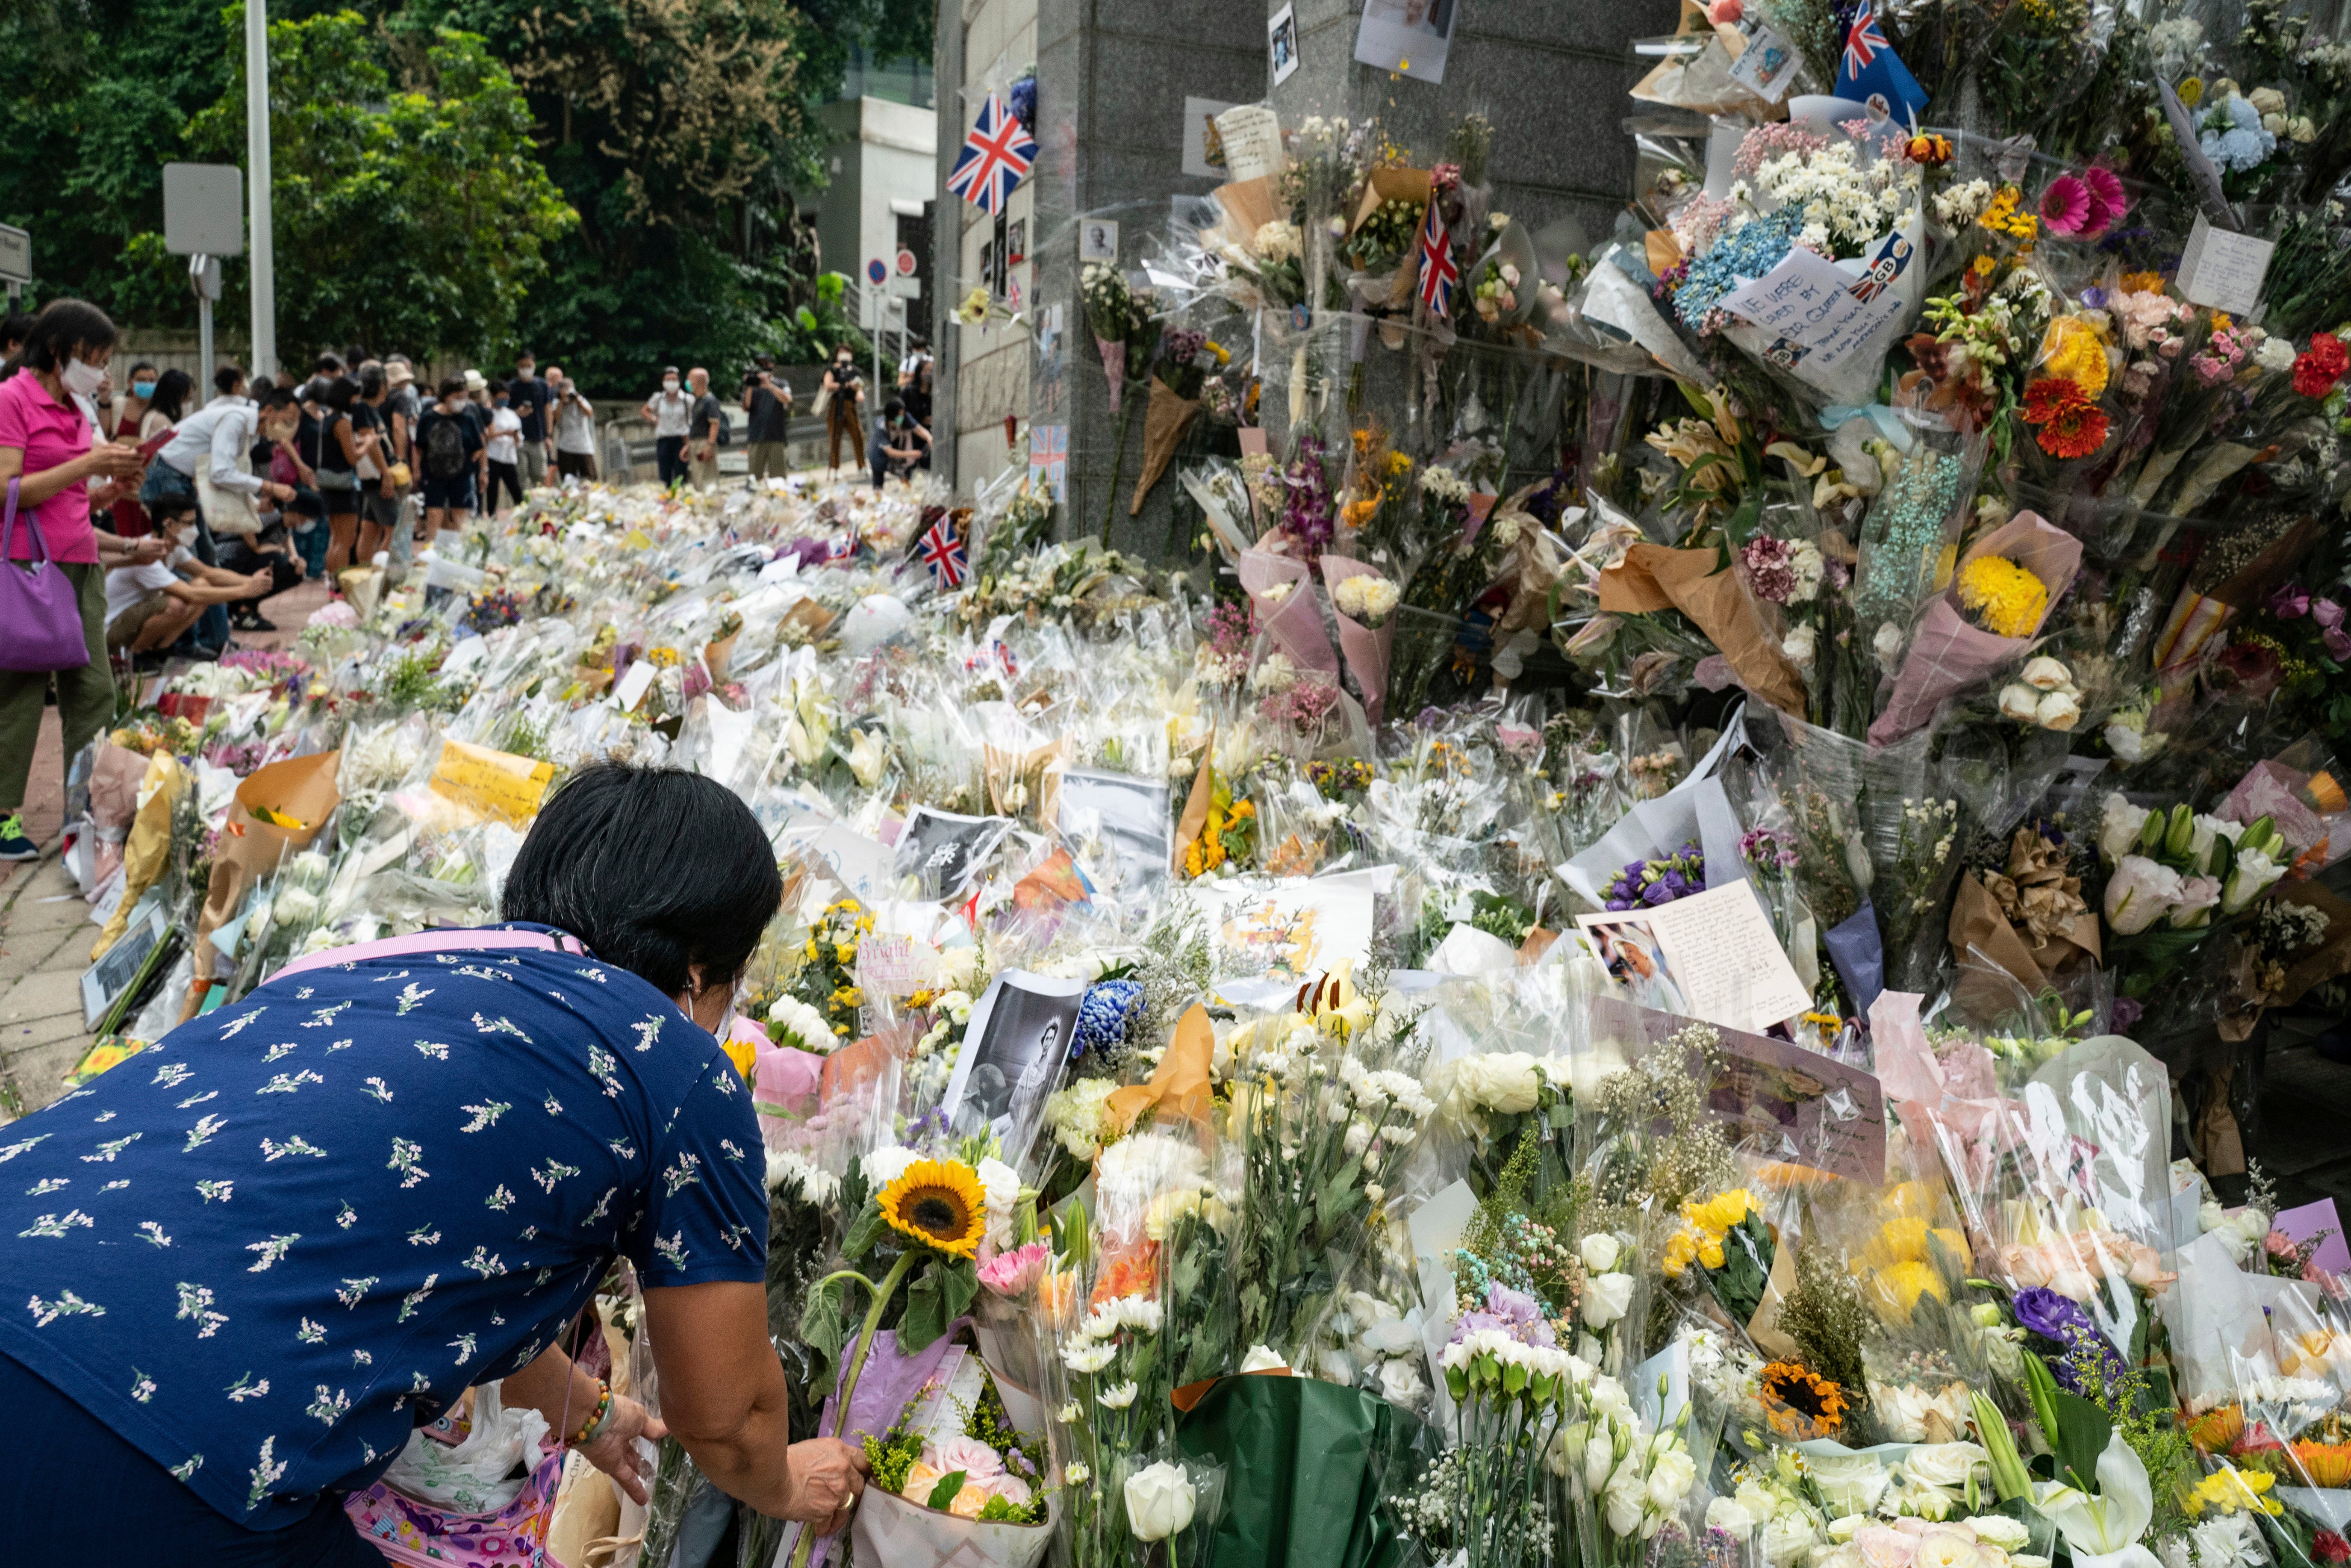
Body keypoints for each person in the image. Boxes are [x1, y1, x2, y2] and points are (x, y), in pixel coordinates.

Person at [0, 763, 872, 1564]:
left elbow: (403, 1253)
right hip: (164, 1447)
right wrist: (791, 1484)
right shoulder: (668, 1055)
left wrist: (589, 1411)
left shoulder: (360, 969)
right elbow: (725, 1419)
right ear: (699, 967)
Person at [0, 300, 147, 861]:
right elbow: (8, 487)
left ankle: (81, 814)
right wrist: (85, 467)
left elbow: (64, 491)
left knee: (94, 692)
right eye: (95, 358)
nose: (102, 371)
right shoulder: (13, 399)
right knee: (17, 693)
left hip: (81, 558)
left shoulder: (72, 405)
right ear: (60, 349)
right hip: (29, 566)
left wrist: (104, 491)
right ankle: (3, 817)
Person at [102, 495, 275, 662]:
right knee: (176, 605)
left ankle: (162, 651)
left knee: (203, 584)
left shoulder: (172, 547)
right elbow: (192, 595)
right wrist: (245, 591)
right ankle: (139, 656)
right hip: (111, 630)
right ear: (169, 524)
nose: (195, 530)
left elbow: (208, 573)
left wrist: (251, 581)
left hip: (134, 619)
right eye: (189, 524)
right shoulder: (148, 556)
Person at [303, 374, 368, 578]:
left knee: (336, 539)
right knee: (345, 541)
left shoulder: (327, 419)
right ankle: (340, 585)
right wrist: (369, 443)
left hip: (329, 486)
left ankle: (333, 587)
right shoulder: (342, 423)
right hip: (343, 486)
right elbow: (352, 457)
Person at [415, 376, 484, 536]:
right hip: (434, 475)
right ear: (446, 396)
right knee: (434, 514)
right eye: (457, 398)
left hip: (461, 476)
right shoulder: (428, 418)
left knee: (460, 518)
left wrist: (472, 465)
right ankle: (431, 550)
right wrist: (417, 471)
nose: (462, 402)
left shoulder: (469, 418)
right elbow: (419, 448)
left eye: (464, 398)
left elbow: (479, 447)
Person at [354, 363, 406, 566]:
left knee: (370, 530)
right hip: (377, 478)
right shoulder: (362, 409)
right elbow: (371, 444)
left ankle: (365, 571)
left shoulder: (370, 409)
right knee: (394, 532)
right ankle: (378, 572)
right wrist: (386, 474)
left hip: (377, 477)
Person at [509, 351, 554, 491]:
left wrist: (549, 435)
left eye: (529, 366)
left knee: (540, 478)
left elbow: (548, 410)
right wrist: (517, 413)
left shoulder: (543, 385)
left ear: (534, 365)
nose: (526, 369)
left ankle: (539, 510)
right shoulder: (511, 387)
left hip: (539, 438)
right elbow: (503, 412)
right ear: (517, 366)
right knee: (519, 478)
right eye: (523, 366)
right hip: (518, 439)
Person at [644, 365, 692, 487]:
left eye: (674, 379)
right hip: (664, 440)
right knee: (664, 476)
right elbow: (645, 410)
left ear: (679, 381)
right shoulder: (659, 398)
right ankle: (667, 501)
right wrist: (654, 419)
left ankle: (681, 499)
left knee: (681, 475)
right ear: (664, 382)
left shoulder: (687, 400)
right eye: (668, 379)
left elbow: (693, 419)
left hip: (681, 441)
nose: (671, 382)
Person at [742, 365, 792, 480]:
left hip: (776, 437)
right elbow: (746, 407)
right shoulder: (752, 385)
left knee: (778, 479)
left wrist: (770, 386)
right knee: (754, 479)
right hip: (756, 437)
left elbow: (788, 400)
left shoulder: (781, 383)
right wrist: (750, 386)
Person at [483, 383, 526, 515]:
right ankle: (491, 516)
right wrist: (503, 433)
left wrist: (515, 437)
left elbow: (520, 439)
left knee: (516, 489)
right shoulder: (489, 414)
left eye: (507, 398)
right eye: (501, 397)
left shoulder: (512, 415)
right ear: (493, 397)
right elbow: (487, 436)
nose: (504, 400)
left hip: (509, 457)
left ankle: (522, 514)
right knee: (493, 491)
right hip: (493, 455)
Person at [822, 344, 864, 476]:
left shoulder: (854, 371)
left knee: (858, 436)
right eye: (841, 352)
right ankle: (835, 468)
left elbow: (860, 386)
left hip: (850, 405)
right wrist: (846, 385)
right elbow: (828, 385)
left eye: (847, 352)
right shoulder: (832, 369)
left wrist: (859, 391)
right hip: (836, 404)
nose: (844, 354)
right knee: (835, 436)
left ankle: (862, 466)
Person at [868, 396, 927, 491]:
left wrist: (929, 438)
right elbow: (890, 452)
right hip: (877, 456)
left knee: (905, 474)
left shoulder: (904, 417)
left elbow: (918, 429)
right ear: (892, 416)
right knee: (878, 486)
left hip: (893, 453)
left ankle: (907, 493)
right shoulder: (881, 428)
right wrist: (912, 454)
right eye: (900, 415)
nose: (903, 417)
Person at [551, 368, 598, 482]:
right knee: (568, 482)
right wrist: (562, 401)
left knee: (589, 480)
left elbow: (590, 414)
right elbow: (555, 419)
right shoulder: (557, 403)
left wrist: (577, 400)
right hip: (566, 448)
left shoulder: (580, 400)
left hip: (584, 447)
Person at [686, 367, 723, 489]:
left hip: (704, 444)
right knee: (698, 479)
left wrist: (710, 446)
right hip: (696, 444)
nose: (687, 383)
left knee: (707, 479)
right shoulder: (698, 401)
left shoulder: (710, 401)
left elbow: (715, 424)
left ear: (697, 382)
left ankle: (712, 505)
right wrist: (688, 446)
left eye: (689, 379)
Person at [112, 361, 160, 439]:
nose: (147, 384)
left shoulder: (161, 410)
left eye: (152, 381)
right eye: (141, 380)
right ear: (130, 382)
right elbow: (105, 435)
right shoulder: (118, 405)